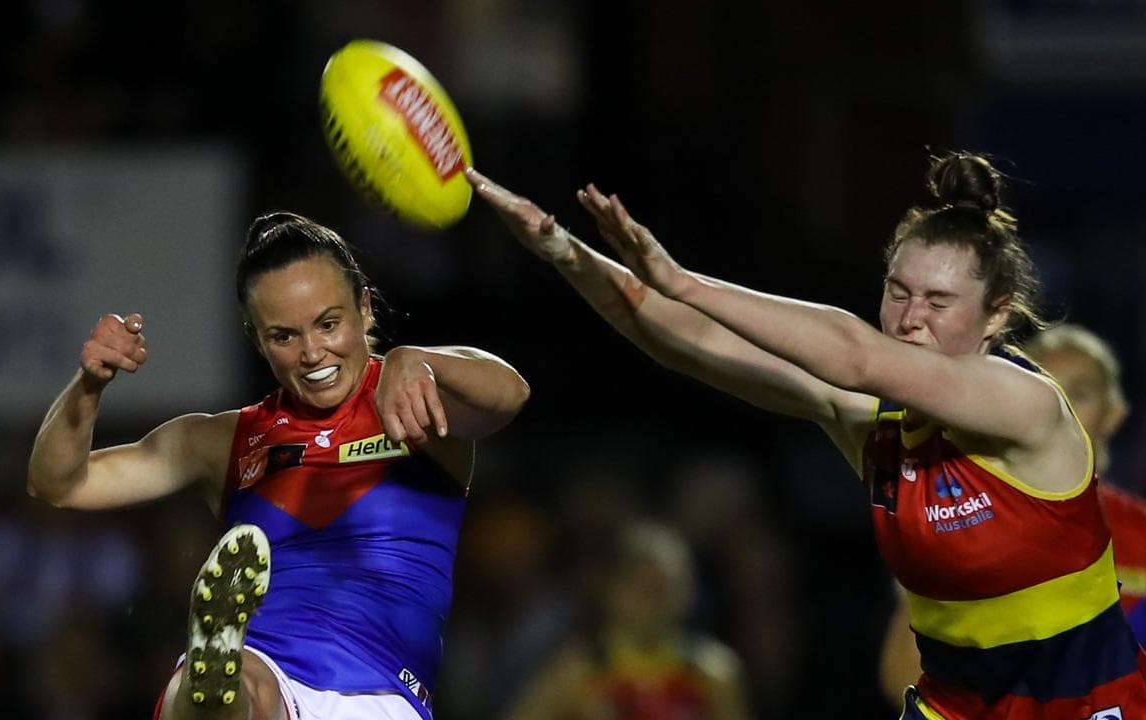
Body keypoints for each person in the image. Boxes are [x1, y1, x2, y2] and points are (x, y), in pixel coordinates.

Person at [466, 152, 1146, 718]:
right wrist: (563, 251)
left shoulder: (1026, 404)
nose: (911, 319)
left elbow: (852, 351)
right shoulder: (867, 423)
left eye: (939, 303)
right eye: (898, 292)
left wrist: (682, 279)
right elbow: (683, 338)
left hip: (1090, 707)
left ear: (996, 317)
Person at [26, 211, 530, 720]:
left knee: (235, 687)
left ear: (365, 309)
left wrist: (421, 360)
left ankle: (216, 682)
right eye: (285, 336)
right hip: (265, 669)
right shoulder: (224, 440)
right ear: (257, 339)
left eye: (328, 324)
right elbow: (60, 483)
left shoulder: (418, 401)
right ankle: (214, 668)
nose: (313, 352)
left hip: (377, 694)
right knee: (236, 681)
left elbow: (510, 395)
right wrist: (90, 384)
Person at [879, 323, 1146, 708]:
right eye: (1042, 391)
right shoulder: (965, 521)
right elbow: (902, 672)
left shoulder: (1140, 533)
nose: (1061, 410)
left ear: (1114, 414)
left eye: (1080, 394)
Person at [505, 519, 751, 720]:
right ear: (612, 591)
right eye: (644, 587)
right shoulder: (577, 675)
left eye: (664, 588)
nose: (655, 602)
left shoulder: (714, 673)